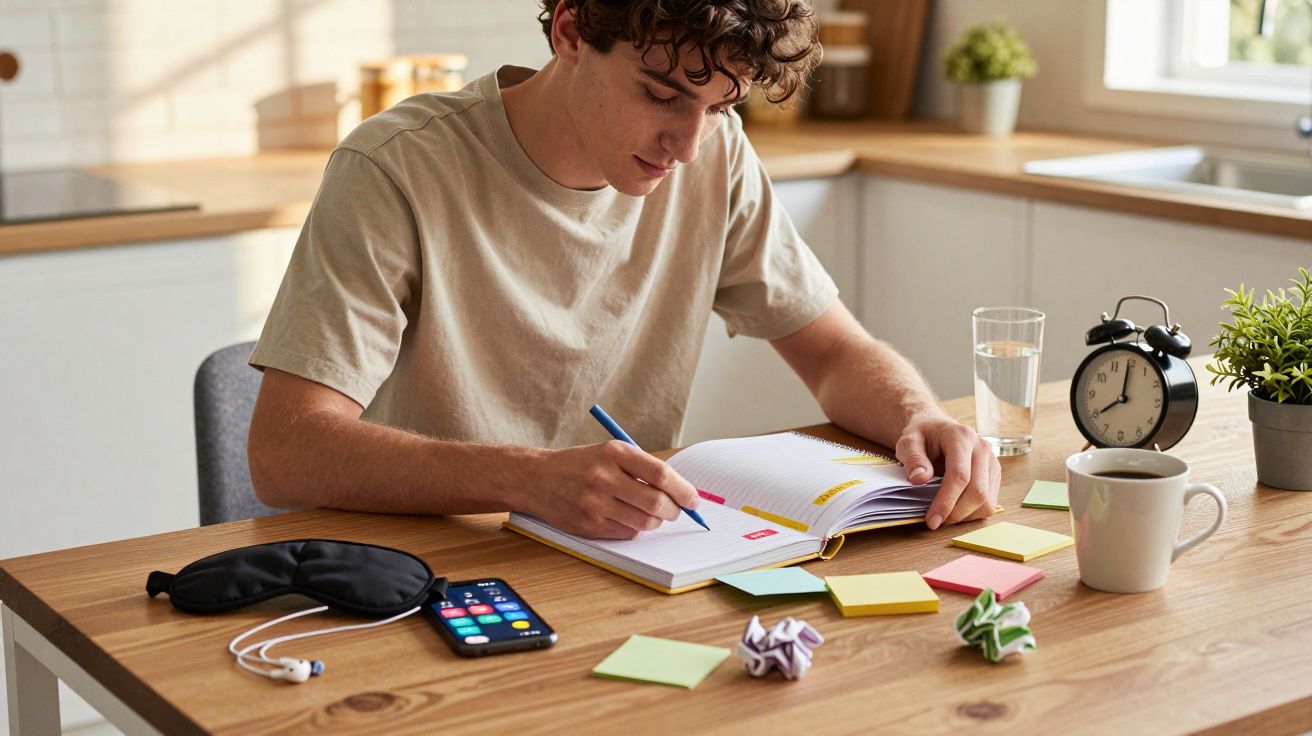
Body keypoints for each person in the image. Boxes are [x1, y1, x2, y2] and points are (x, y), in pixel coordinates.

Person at [247, 0, 1000, 540]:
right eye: (661, 95)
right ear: (571, 30)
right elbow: (286, 452)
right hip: (427, 566)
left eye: (722, 106)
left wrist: (918, 416)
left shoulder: (718, 157)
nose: (688, 146)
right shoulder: (397, 167)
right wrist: (528, 478)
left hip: (619, 561)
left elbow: (833, 352)